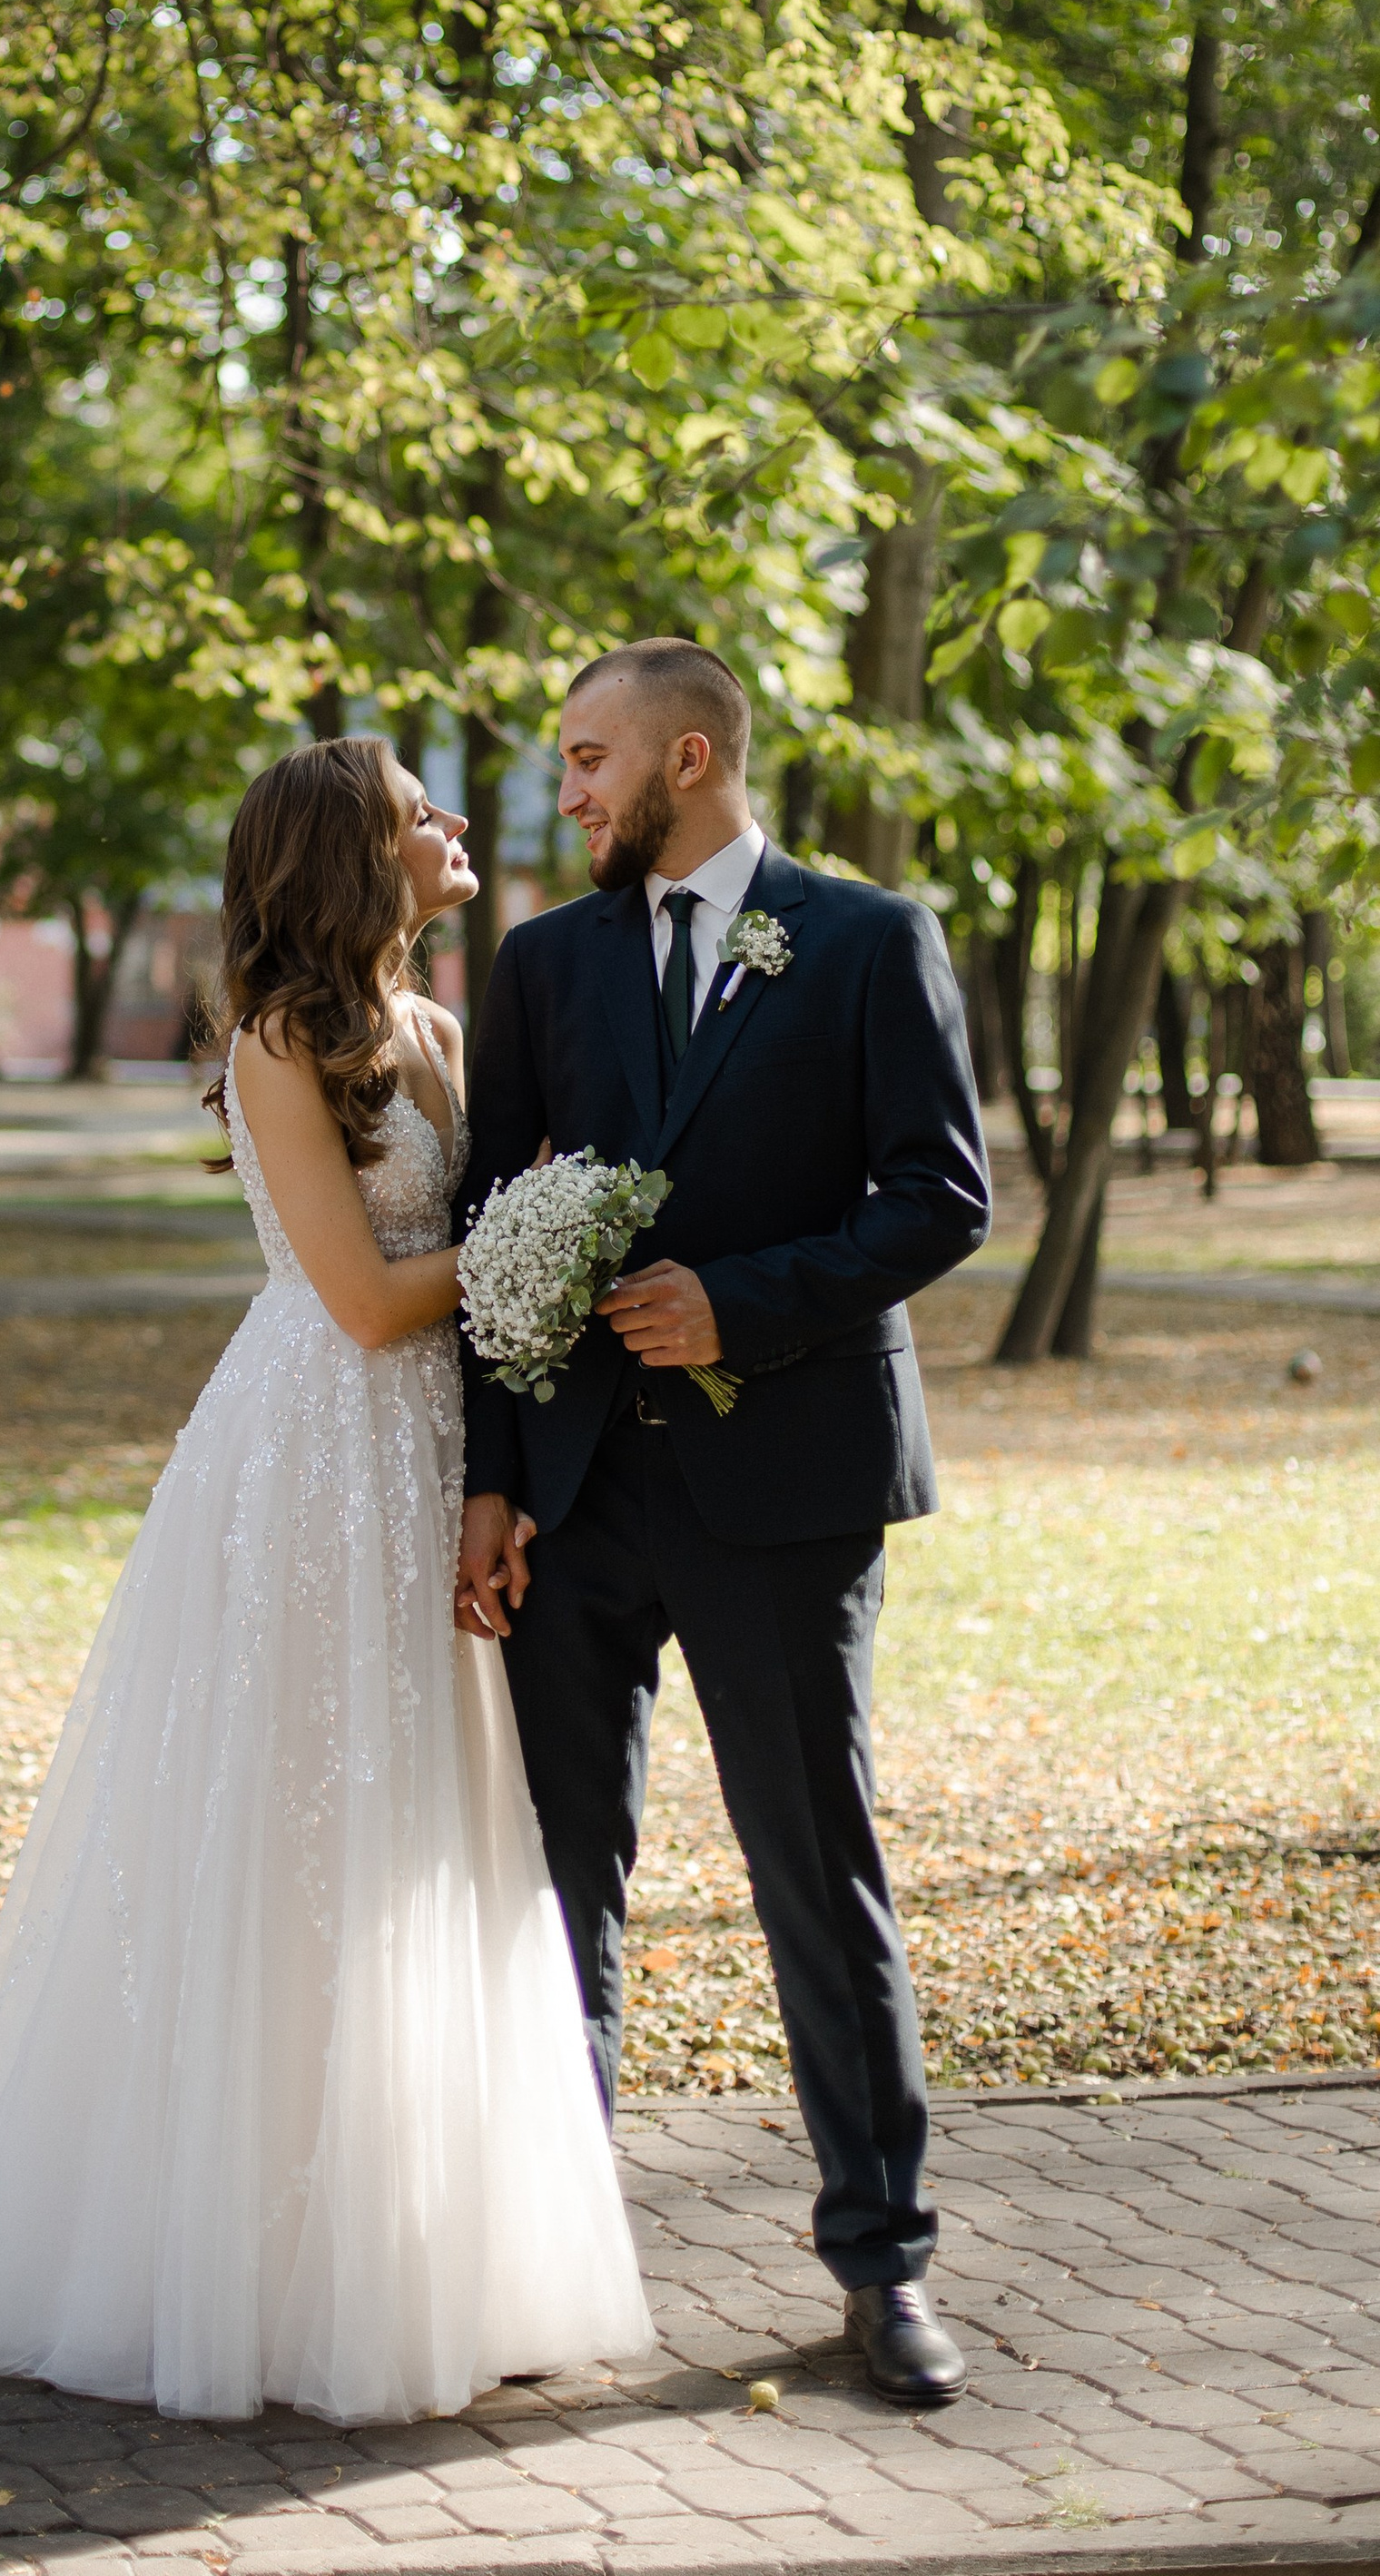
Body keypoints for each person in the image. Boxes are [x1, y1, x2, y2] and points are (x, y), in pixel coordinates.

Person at [0, 735, 651, 2424]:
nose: (455, 823)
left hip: (435, 1453)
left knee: (425, 1831)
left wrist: (509, 1405)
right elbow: (364, 1303)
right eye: (419, 813)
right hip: (320, 1460)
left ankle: (416, 2247)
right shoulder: (280, 1042)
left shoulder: (439, 1030)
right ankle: (262, 2266)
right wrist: (546, 1236)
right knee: (305, 1830)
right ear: (352, 855)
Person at [454, 640, 991, 2410]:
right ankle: (546, 2260)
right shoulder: (542, 965)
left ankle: (884, 2264)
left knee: (815, 1875)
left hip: (786, 1493)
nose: (570, 791)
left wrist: (737, 1306)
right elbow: (489, 1226)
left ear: (688, 759)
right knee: (558, 1889)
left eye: (589, 758)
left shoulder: (868, 941)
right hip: (576, 1497)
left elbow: (939, 1197)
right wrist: (487, 1478)